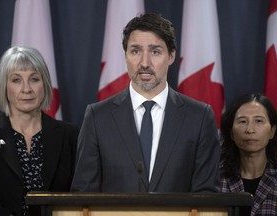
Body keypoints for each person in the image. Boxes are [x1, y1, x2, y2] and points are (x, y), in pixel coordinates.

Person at [71, 12, 220, 193]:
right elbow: (83, 194)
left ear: (171, 56)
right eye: (135, 51)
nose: (144, 63)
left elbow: (207, 196)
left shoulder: (199, 117)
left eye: (155, 51)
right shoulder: (97, 117)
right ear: (125, 56)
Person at [0, 46, 79, 216]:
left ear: (44, 84)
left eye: (34, 79)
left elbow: (79, 195)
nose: (26, 89)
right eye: (16, 80)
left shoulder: (69, 135)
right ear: (4, 86)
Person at [220, 93, 277, 215]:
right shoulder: (217, 179)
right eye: (242, 121)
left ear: (272, 131)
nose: (250, 129)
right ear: (231, 133)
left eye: (258, 121)